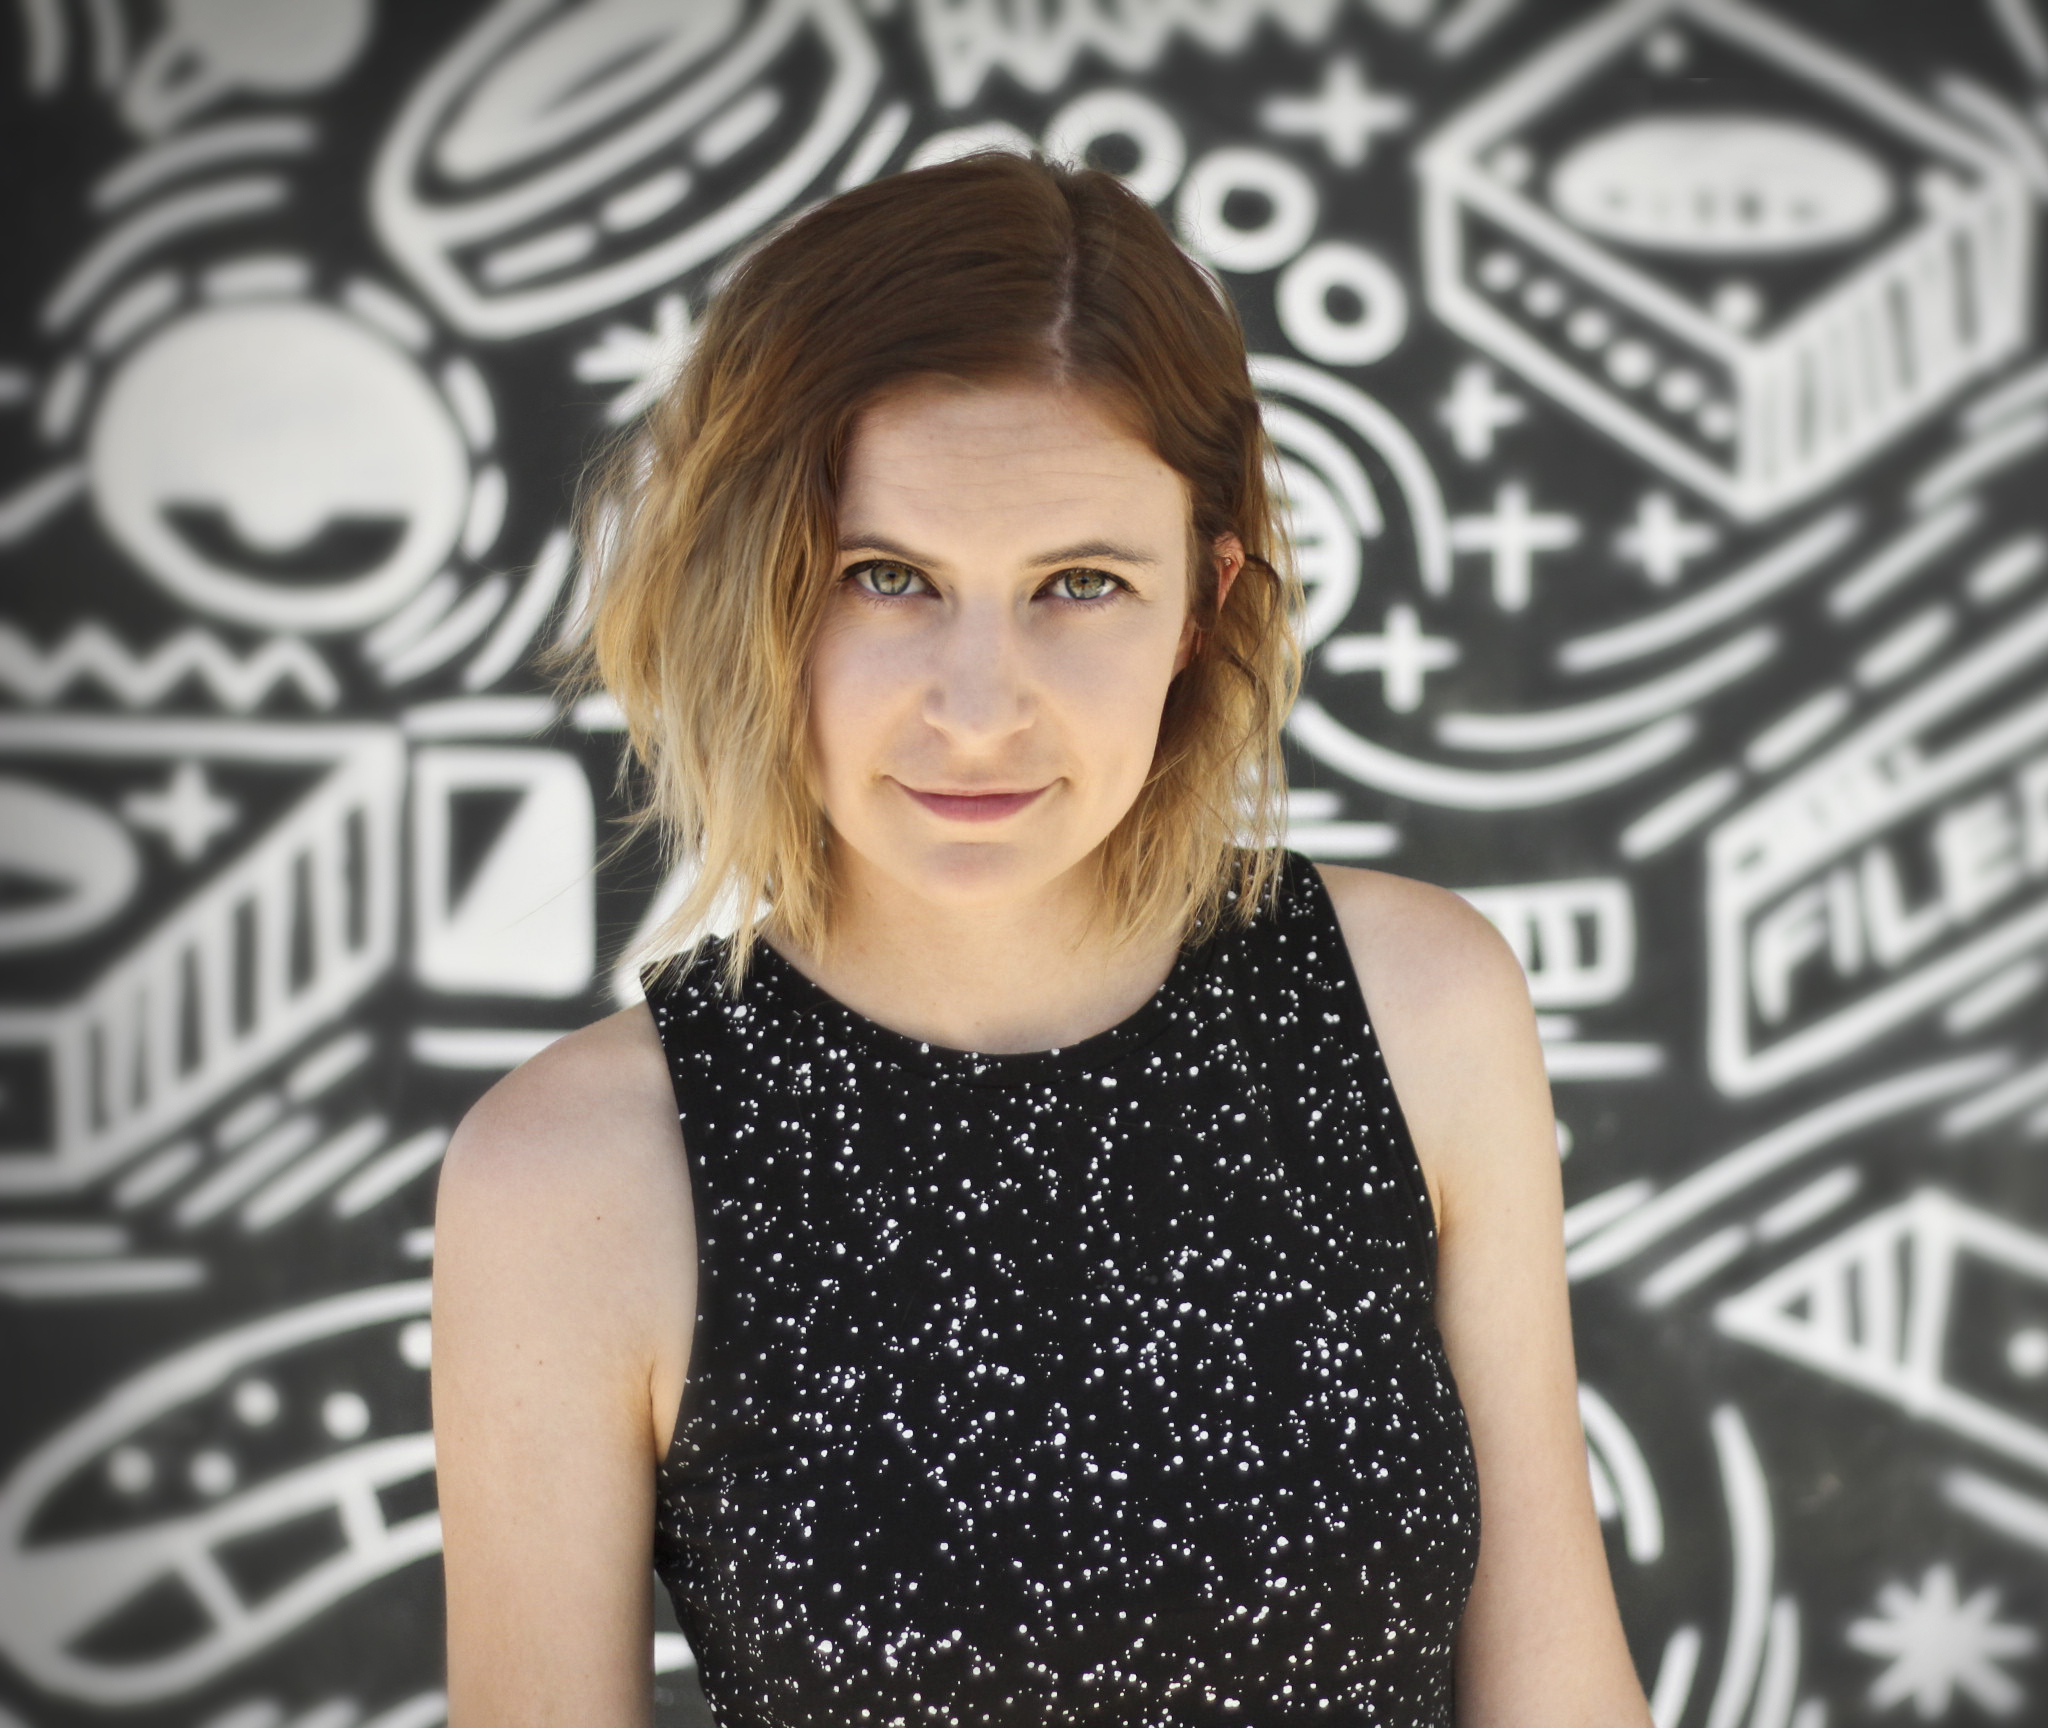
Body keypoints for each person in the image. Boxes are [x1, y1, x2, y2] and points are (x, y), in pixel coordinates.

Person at [431, 151, 1651, 1727]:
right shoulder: (571, 1175)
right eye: (888, 579)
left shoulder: (1422, 1007)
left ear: (1205, 601)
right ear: (756, 589)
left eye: (1080, 584)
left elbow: (1558, 1684)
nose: (979, 705)